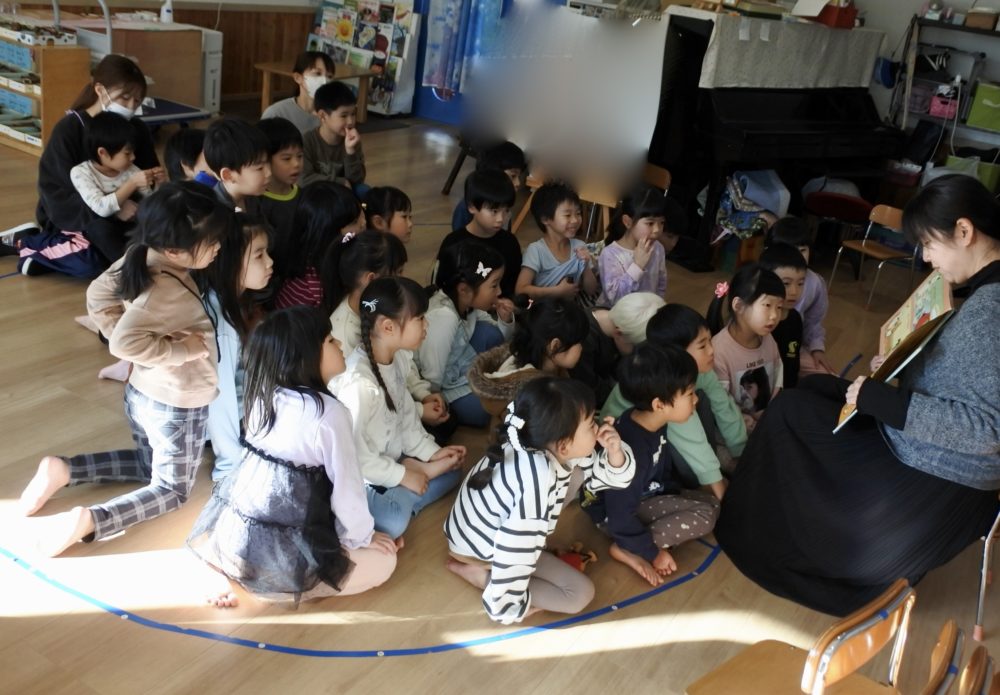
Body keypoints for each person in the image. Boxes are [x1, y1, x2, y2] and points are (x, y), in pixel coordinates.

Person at [716, 174, 1000, 616]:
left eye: (929, 244)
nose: (926, 258)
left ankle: (758, 521)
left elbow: (986, 432)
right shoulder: (985, 294)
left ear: (964, 231)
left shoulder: (990, 310)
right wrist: (902, 363)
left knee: (790, 411)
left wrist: (882, 400)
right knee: (811, 388)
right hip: (929, 451)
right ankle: (765, 501)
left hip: (933, 475)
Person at [17, 183, 232, 556]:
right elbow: (123, 344)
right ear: (174, 250)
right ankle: (92, 520)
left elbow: (98, 295)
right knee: (172, 490)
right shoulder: (166, 291)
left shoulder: (141, 254)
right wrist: (179, 350)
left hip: (143, 393)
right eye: (211, 242)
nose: (218, 248)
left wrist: (141, 346)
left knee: (150, 463)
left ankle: (65, 471)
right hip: (177, 403)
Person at [188, 306, 399, 605]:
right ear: (305, 356)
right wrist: (365, 538)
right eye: (329, 340)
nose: (339, 343)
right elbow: (347, 491)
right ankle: (272, 585)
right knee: (385, 562)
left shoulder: (265, 393)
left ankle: (233, 567)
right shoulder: (329, 413)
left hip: (241, 527)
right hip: (290, 536)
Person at [445, 377, 635, 624]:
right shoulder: (537, 478)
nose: (598, 427)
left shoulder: (536, 440)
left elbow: (609, 476)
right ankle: (480, 576)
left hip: (472, 531)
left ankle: (490, 568)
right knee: (579, 594)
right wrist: (508, 607)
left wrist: (614, 452)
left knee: (577, 474)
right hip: (482, 548)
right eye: (591, 424)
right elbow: (515, 547)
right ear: (564, 445)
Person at [330, 277, 466, 539]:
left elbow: (406, 420)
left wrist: (432, 453)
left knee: (453, 470)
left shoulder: (400, 359)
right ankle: (413, 483)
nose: (426, 325)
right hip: (362, 477)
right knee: (392, 522)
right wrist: (404, 475)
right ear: (388, 327)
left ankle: (414, 482)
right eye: (420, 318)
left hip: (392, 460)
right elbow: (355, 460)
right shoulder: (359, 385)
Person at [583, 344, 719, 587]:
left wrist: (669, 492)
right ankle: (628, 548)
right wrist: (652, 553)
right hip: (613, 516)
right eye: (689, 394)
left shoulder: (647, 421)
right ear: (659, 405)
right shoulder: (633, 451)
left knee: (711, 504)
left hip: (642, 497)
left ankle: (635, 541)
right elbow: (619, 516)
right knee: (706, 515)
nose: (696, 399)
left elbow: (660, 468)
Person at [20, 55, 165, 278]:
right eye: (125, 98)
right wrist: (114, 207)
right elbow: (58, 193)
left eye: (136, 102)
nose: (130, 107)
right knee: (93, 261)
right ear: (100, 90)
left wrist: (156, 183)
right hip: (80, 216)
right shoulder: (69, 130)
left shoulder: (136, 128)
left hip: (128, 211)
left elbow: (148, 178)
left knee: (153, 240)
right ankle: (30, 244)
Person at [602, 304, 746, 499]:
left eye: (710, 341)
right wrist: (718, 486)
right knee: (688, 429)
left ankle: (710, 469)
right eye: (702, 346)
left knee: (701, 400)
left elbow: (724, 406)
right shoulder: (668, 386)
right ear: (677, 354)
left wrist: (741, 453)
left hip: (666, 421)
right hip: (629, 445)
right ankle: (695, 482)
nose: (712, 350)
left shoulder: (697, 371)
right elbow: (691, 438)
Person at [324, 231, 449, 434]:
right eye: (397, 272)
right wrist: (419, 411)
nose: (402, 279)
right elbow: (363, 410)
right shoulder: (343, 333)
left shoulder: (385, 311)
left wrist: (422, 393)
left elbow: (400, 364)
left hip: (399, 404)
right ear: (371, 279)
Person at [197, 213, 274, 481]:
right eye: (259, 255)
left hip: (245, 408)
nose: (270, 262)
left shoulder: (235, 302)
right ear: (230, 262)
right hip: (225, 420)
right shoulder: (221, 321)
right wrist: (229, 464)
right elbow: (220, 399)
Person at [419, 241, 515, 427]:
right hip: (440, 382)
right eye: (494, 285)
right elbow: (431, 374)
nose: (500, 291)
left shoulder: (467, 303)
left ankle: (480, 382)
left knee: (491, 334)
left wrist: (505, 319)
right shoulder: (443, 317)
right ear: (464, 289)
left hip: (458, 362)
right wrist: (433, 400)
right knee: (483, 411)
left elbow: (500, 336)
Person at [468, 297, 590, 416]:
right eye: (579, 342)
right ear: (555, 345)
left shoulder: (544, 363)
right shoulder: (534, 397)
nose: (582, 347)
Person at [69, 112, 155, 262]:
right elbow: (101, 208)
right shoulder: (81, 172)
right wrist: (132, 183)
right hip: (102, 231)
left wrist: (159, 184)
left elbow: (150, 202)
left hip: (130, 228)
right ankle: (125, 267)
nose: (133, 157)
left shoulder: (131, 170)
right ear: (103, 153)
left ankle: (142, 258)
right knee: (99, 228)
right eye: (127, 153)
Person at [708, 263, 785, 431]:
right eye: (767, 306)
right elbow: (721, 405)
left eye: (779, 307)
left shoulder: (768, 338)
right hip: (735, 429)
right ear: (739, 306)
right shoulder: (719, 351)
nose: (774, 315)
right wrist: (749, 421)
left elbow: (778, 372)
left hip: (767, 419)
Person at [274, 182, 365, 310]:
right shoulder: (309, 290)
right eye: (354, 222)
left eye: (361, 213)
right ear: (328, 234)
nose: (363, 223)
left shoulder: (346, 253)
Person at [438, 169, 522, 298]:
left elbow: (512, 285)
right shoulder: (454, 243)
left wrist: (508, 302)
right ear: (472, 207)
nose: (501, 218)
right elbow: (443, 286)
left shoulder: (510, 243)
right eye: (494, 211)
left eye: (506, 210)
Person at [768, 216, 835, 375]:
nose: (797, 256)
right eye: (789, 250)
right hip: (761, 346)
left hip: (792, 347)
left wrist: (817, 348)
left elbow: (814, 321)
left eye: (803, 250)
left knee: (829, 377)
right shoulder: (763, 277)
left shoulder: (815, 283)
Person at [571, 292, 664, 406]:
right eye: (636, 347)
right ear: (619, 333)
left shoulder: (616, 317)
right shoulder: (583, 342)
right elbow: (590, 388)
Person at [515, 182, 599, 302]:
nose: (575, 220)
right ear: (545, 219)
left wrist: (586, 266)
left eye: (578, 213)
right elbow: (520, 290)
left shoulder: (579, 247)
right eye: (567, 215)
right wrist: (557, 292)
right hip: (544, 310)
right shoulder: (536, 250)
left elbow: (591, 290)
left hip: (570, 309)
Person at [598, 185, 669, 305]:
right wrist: (637, 266)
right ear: (628, 222)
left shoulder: (658, 248)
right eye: (650, 223)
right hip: (614, 312)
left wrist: (658, 306)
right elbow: (614, 299)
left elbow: (661, 284)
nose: (657, 230)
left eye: (661, 222)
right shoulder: (610, 254)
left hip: (646, 311)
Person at [759, 243, 807, 388]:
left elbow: (793, 362)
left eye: (800, 283)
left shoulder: (795, 318)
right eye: (786, 283)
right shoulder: (759, 323)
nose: (794, 291)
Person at [451, 141, 526, 232]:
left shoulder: (505, 201)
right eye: (513, 176)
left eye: (505, 211)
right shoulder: (467, 207)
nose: (518, 183)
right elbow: (459, 237)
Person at [302, 81, 365, 188]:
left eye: (353, 114)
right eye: (344, 116)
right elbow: (303, 179)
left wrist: (350, 152)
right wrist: (339, 182)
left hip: (344, 193)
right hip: (316, 193)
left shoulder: (352, 141)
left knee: (364, 190)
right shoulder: (307, 141)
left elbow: (357, 181)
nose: (350, 121)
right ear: (323, 116)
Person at [203, 118, 271, 215]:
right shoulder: (216, 215)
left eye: (268, 163)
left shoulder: (253, 196)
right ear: (228, 175)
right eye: (260, 168)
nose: (269, 173)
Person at [260, 51, 336, 135]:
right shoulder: (276, 113)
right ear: (298, 78)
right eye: (317, 73)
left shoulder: (335, 114)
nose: (324, 81)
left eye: (329, 76)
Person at [257, 117, 304, 242]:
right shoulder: (256, 202)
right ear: (265, 160)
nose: (296, 164)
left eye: (300, 156)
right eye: (287, 158)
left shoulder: (303, 196)